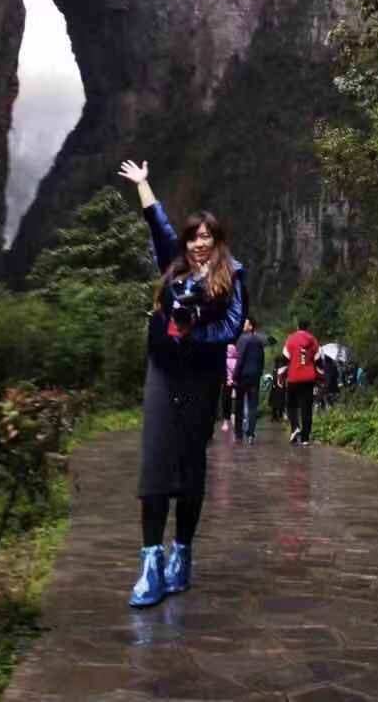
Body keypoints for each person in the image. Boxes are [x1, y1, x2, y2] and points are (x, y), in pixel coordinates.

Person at [118, 157, 246, 609]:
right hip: (163, 370)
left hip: (200, 376)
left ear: (217, 241)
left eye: (207, 237)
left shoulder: (233, 275)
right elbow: (159, 224)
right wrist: (144, 184)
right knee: (155, 460)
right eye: (193, 236)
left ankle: (182, 553)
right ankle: (151, 563)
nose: (199, 243)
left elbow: (232, 326)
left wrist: (193, 331)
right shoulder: (173, 267)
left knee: (190, 464)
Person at [278, 318, 321, 445]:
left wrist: (281, 377)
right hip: (309, 378)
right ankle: (305, 438)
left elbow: (284, 360)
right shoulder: (313, 341)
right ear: (308, 328)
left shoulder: (291, 339)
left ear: (297, 327)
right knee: (306, 407)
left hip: (294, 377)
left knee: (291, 405)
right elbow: (318, 361)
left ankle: (295, 427)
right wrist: (321, 378)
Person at [232, 315, 266, 445]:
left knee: (239, 404)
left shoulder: (242, 339)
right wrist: (259, 373)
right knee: (253, 406)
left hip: (243, 377)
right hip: (255, 376)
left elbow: (239, 359)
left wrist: (235, 376)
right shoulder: (259, 341)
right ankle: (251, 433)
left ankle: (238, 433)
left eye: (245, 323)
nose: (243, 325)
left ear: (251, 326)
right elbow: (261, 360)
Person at [221, 342, 238, 433]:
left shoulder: (224, 360)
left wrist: (227, 379)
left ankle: (225, 421)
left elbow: (223, 373)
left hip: (227, 383)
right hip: (236, 383)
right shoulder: (237, 360)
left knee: (226, 401)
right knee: (237, 401)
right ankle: (236, 419)